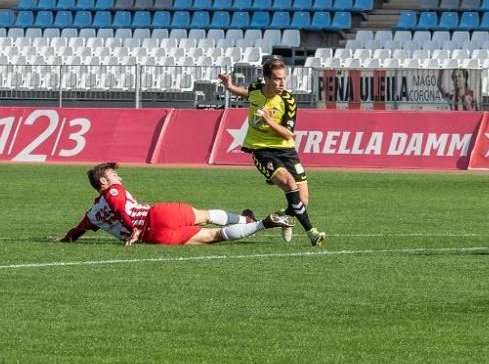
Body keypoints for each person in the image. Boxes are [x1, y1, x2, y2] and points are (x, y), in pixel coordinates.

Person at [218, 57, 327, 246]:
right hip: (261, 149)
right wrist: (230, 87)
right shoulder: (256, 87)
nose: (282, 82)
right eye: (277, 78)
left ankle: (282, 218)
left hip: (286, 150)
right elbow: (248, 94)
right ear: (267, 79)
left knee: (302, 200)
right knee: (289, 183)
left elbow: (288, 134)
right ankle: (312, 232)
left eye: (284, 78)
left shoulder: (288, 100)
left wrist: (269, 121)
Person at [59, 162, 291, 246]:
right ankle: (254, 222)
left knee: (214, 236)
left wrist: (63, 240)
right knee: (207, 215)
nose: (119, 179)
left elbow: (77, 231)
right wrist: (134, 228)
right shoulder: (113, 190)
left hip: (154, 237)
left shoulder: (93, 214)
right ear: (103, 181)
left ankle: (262, 223)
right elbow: (119, 205)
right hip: (158, 216)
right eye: (114, 175)